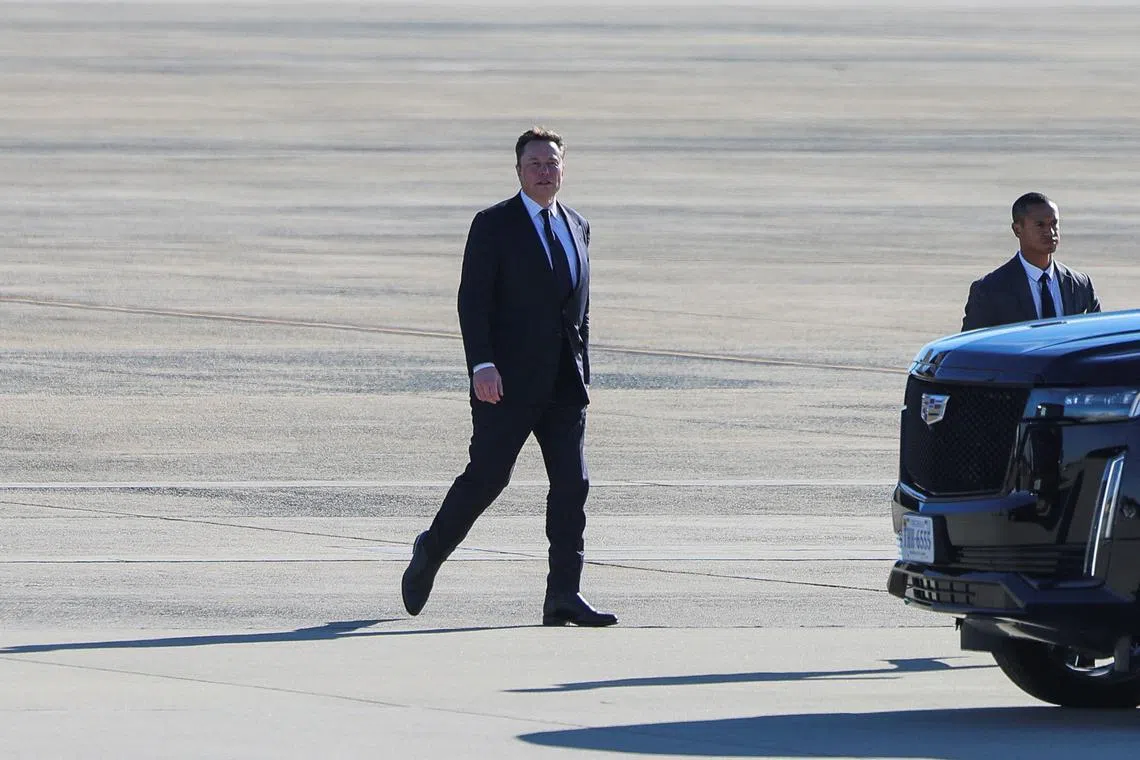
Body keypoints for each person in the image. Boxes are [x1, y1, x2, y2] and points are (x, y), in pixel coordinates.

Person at [401, 127, 616, 627]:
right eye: (534, 163)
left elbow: (579, 308)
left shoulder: (578, 225)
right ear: (518, 170)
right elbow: (473, 301)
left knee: (572, 485)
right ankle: (431, 549)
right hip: (506, 383)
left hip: (565, 383)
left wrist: (583, 367)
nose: (544, 171)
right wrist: (482, 364)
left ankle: (563, 593)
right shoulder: (493, 224)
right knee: (488, 478)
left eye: (552, 163)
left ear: (564, 169)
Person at [961, 192, 1100, 332]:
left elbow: (1097, 335)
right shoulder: (990, 289)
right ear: (1017, 230)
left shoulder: (1080, 284)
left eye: (1054, 223)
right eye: (1040, 225)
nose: (1050, 232)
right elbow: (972, 342)